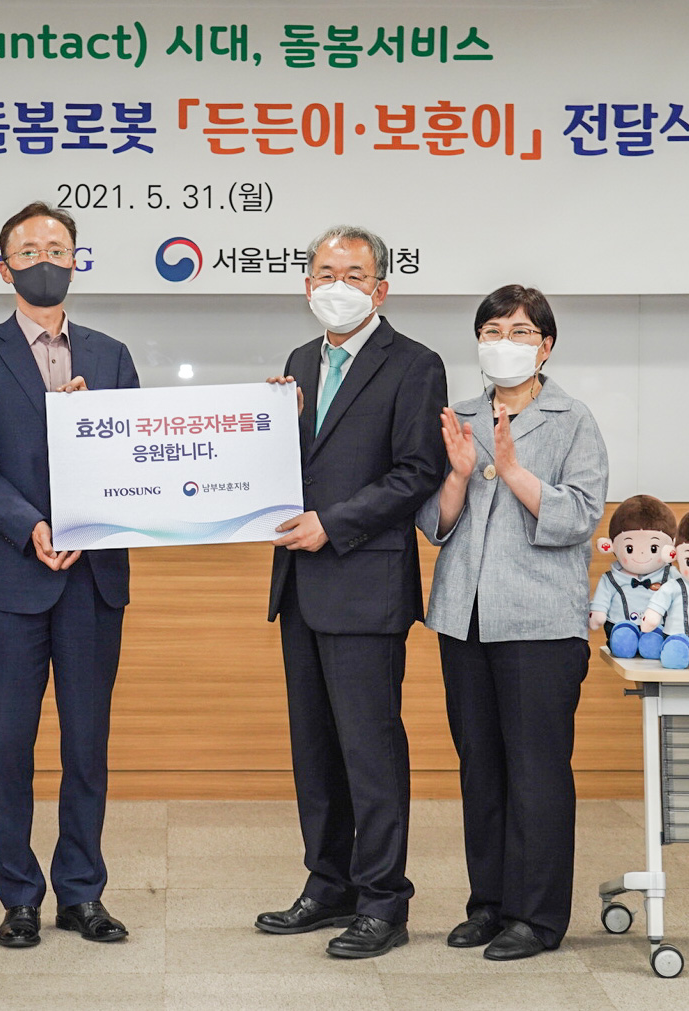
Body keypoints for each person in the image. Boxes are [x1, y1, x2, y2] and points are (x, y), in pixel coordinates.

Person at [0, 202, 139, 949]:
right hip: (11, 576)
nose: (44, 260)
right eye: (28, 250)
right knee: (11, 743)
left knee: (87, 743)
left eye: (57, 248)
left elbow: (137, 458)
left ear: (75, 261)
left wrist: (98, 433)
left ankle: (82, 892)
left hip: (94, 578)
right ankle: (19, 895)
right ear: (5, 268)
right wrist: (31, 526)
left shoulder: (112, 355)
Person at [258, 225, 447, 959]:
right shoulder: (299, 360)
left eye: (354, 274)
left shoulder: (415, 364)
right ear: (307, 284)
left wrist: (332, 525)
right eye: (325, 273)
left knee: (370, 750)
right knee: (314, 750)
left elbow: (415, 472)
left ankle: (383, 900)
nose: (337, 286)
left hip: (364, 584)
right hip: (300, 585)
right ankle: (327, 882)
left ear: (380, 288)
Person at [418, 285, 609, 960]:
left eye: (521, 331)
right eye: (492, 330)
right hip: (464, 617)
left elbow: (579, 515)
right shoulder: (460, 416)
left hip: (539, 622)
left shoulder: (571, 418)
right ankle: (490, 905)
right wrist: (459, 475)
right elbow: (434, 523)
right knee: (482, 767)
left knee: (536, 771)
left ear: (545, 345)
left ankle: (537, 916)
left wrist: (512, 472)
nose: (505, 342)